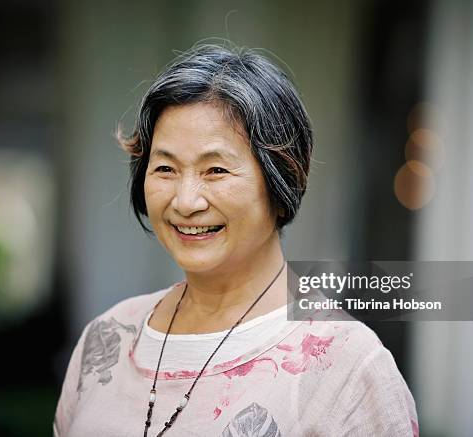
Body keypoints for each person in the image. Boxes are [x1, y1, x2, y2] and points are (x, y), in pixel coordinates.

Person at [53, 44, 419, 437]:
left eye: (215, 169)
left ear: (282, 180)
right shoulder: (107, 337)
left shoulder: (346, 368)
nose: (186, 201)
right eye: (165, 168)